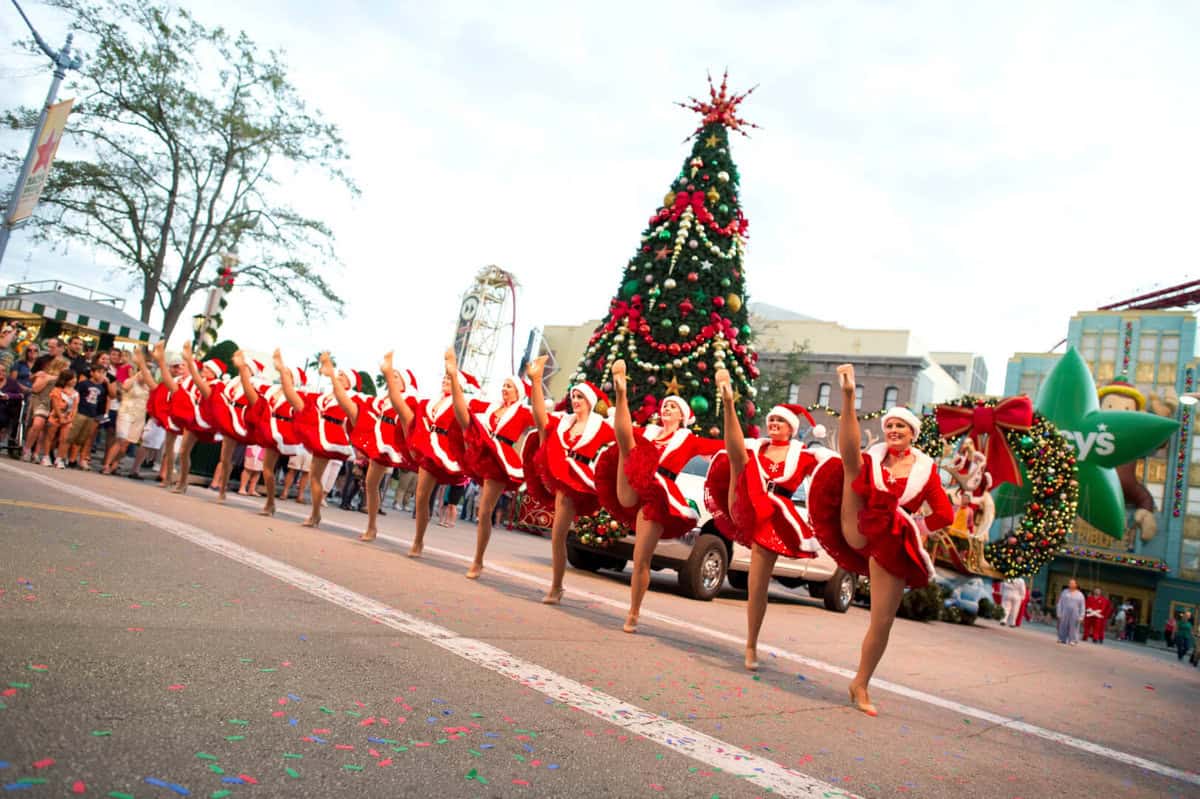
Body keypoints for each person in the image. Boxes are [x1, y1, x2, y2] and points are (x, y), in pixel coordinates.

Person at [806, 363, 954, 716]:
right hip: (858, 526)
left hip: (892, 542)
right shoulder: (875, 459)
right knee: (853, 465)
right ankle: (849, 396)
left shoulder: (925, 471)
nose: (893, 430)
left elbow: (945, 514)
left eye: (900, 425)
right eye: (889, 426)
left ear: (912, 432)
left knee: (881, 622)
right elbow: (852, 457)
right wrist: (849, 397)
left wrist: (917, 526)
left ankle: (860, 682)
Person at [706, 369, 833, 669]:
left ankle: (751, 643)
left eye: (780, 422)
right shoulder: (757, 448)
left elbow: (828, 476)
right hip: (749, 502)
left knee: (758, 585)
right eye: (771, 420)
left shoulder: (803, 455)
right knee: (739, 455)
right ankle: (728, 403)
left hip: (778, 516)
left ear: (791, 429)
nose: (774, 424)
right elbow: (736, 457)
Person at [600, 359, 725, 634]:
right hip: (633, 483)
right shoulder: (648, 432)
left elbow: (722, 447)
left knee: (640, 557)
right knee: (625, 441)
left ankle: (634, 611)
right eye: (664, 406)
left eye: (672, 407)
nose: (666, 409)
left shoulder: (688, 439)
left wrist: (752, 447)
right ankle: (621, 391)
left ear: (681, 415)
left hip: (658, 496)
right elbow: (620, 433)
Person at [442, 348, 538, 579]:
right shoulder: (490, 407)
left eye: (509, 386)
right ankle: (454, 375)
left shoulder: (523, 412)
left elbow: (545, 417)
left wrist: (536, 378)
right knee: (463, 415)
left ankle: (478, 560)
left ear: (518, 392)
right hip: (483, 453)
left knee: (484, 511)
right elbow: (465, 407)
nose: (505, 389)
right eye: (504, 385)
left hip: (500, 461)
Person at [385, 352, 481, 558]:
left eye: (450, 379)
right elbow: (405, 410)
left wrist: (453, 373)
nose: (445, 380)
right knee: (421, 497)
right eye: (444, 378)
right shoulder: (428, 402)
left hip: (448, 451)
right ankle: (418, 540)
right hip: (427, 448)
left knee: (428, 496)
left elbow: (462, 413)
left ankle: (476, 555)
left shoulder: (463, 402)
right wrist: (389, 373)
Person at [284, 351, 358, 528]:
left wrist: (330, 371)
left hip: (332, 436)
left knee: (316, 476)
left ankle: (315, 514)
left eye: (342, 375)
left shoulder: (352, 397)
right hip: (319, 433)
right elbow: (302, 403)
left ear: (349, 382)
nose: (339, 377)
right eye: (338, 374)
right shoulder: (325, 395)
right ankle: (315, 513)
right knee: (315, 477)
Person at [102, 347, 154, 475]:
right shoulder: (131, 381)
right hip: (126, 412)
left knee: (126, 444)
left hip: (139, 416)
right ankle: (106, 465)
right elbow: (124, 387)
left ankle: (115, 464)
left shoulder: (149, 386)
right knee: (121, 440)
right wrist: (136, 375)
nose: (145, 376)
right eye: (143, 373)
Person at [22, 355, 66, 462]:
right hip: (41, 401)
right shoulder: (44, 375)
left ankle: (36, 453)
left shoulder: (64, 380)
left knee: (44, 429)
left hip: (54, 404)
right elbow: (35, 389)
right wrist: (50, 379)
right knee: (37, 424)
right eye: (65, 367)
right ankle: (26, 449)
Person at [66, 364, 109, 469]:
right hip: (80, 412)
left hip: (91, 415)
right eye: (98, 372)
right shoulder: (84, 384)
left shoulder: (102, 388)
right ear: (92, 373)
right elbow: (75, 396)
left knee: (81, 439)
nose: (101, 375)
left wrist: (100, 415)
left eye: (103, 373)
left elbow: (101, 402)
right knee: (71, 436)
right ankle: (62, 456)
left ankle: (73, 459)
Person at [43, 369, 79, 467]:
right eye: (72, 378)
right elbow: (55, 405)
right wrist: (60, 417)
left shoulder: (75, 393)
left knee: (64, 439)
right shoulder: (57, 390)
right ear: (65, 379)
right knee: (50, 437)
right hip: (55, 417)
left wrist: (71, 418)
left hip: (68, 419)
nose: (74, 380)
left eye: (75, 378)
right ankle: (46, 456)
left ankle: (59, 458)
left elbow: (75, 408)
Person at [1056, 579, 1086, 645]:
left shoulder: (1080, 594)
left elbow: (1082, 606)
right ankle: (1062, 638)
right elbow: (1060, 603)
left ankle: (1073, 640)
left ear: (1076, 585)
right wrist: (1059, 612)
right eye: (1070, 583)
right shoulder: (1064, 592)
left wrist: (1081, 616)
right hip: (1065, 611)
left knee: (1074, 627)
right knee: (1063, 625)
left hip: (1075, 613)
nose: (1071, 584)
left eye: (1072, 583)